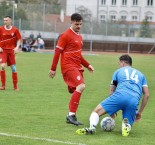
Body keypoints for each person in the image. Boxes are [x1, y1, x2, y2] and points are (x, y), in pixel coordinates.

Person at [76, 54, 149, 136]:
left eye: (119, 64)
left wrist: (112, 109)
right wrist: (140, 112)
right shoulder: (141, 75)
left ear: (123, 63)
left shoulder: (118, 72)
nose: (118, 66)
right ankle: (126, 126)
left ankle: (92, 127)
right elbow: (146, 95)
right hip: (134, 100)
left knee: (95, 112)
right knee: (127, 122)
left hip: (119, 96)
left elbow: (112, 89)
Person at [48, 13, 94, 126]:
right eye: (76, 24)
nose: (79, 26)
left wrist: (88, 65)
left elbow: (78, 55)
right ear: (71, 22)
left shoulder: (79, 36)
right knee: (81, 86)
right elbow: (57, 52)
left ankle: (71, 114)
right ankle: (71, 115)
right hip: (68, 66)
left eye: (80, 24)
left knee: (76, 89)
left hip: (77, 66)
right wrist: (53, 69)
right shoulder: (65, 35)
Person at [0, 16, 22, 90]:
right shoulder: (1, 29)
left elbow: (19, 39)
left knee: (13, 68)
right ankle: (3, 86)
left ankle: (15, 86)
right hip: (3, 51)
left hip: (11, 51)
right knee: (2, 66)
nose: (5, 21)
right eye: (4, 20)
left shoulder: (15, 30)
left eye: (6, 20)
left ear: (10, 21)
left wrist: (17, 47)